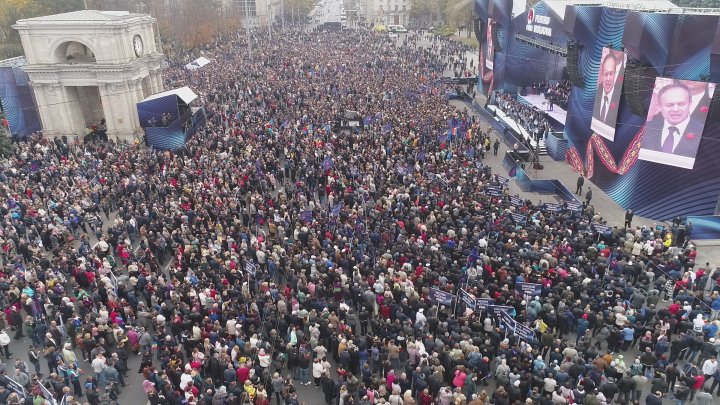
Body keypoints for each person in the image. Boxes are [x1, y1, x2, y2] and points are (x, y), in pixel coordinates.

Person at [640, 83, 703, 157]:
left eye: (681, 104)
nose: (675, 109)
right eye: (669, 105)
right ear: (660, 106)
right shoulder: (646, 128)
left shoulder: (702, 132)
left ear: (690, 104)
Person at [592, 52, 619, 126]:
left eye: (611, 73)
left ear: (615, 74)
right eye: (606, 74)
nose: (608, 78)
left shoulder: (618, 97)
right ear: (602, 75)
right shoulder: (596, 94)